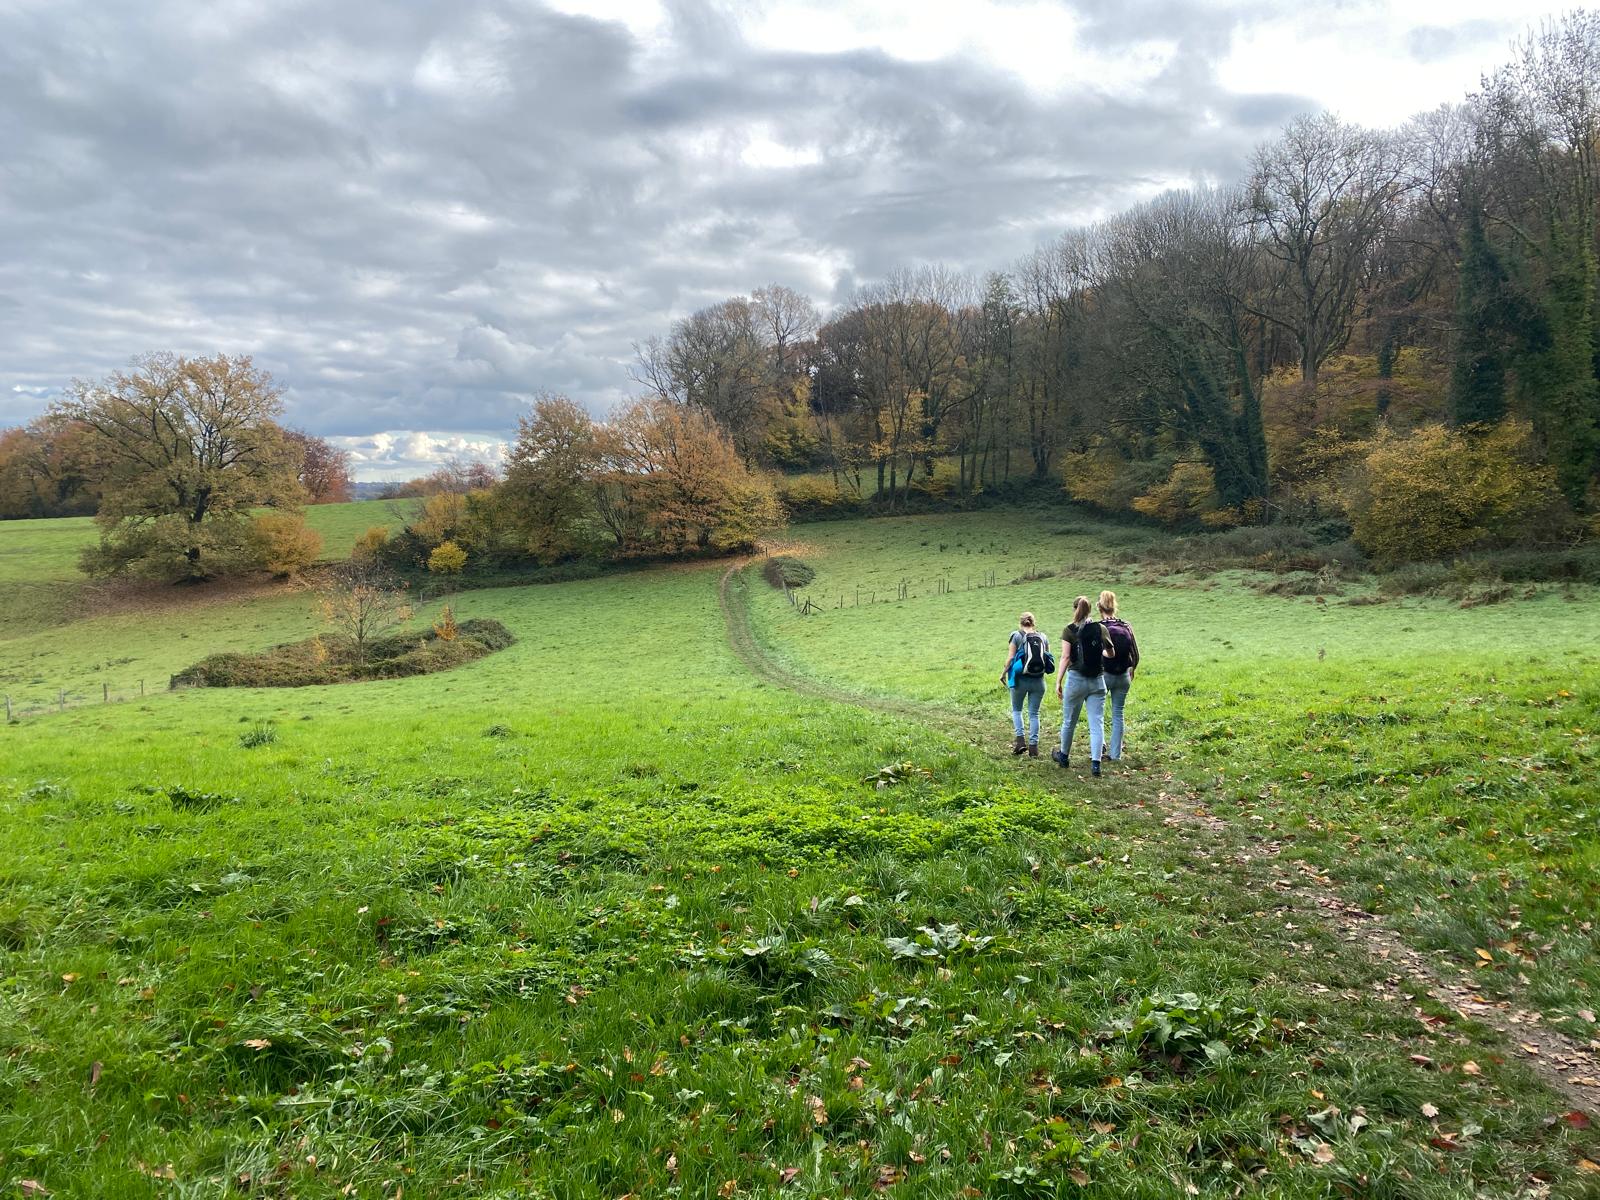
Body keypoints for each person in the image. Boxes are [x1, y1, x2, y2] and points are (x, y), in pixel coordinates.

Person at [1052, 595, 1110, 775]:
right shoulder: (1100, 628)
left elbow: (1066, 657)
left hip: (1076, 679)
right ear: (1090, 609)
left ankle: (1064, 757)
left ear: (1074, 609)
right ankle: (1095, 764)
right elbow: (1111, 652)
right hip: (1097, 680)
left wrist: (1058, 680)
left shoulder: (1069, 630)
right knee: (1097, 722)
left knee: (1069, 721)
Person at [1001, 612, 1053, 757]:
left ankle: (1020, 742)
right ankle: (1034, 748)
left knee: (1017, 710)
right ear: (1033, 623)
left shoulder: (1016, 636)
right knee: (1034, 713)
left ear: (1020, 623)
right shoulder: (1043, 637)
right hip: (1039, 682)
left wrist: (1003, 673)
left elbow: (1011, 658)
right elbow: (1048, 657)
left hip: (1020, 681)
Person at [1098, 590, 1140, 762]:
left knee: (1097, 712)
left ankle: (1099, 746)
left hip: (1104, 674)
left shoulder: (1098, 627)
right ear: (1115, 606)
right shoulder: (1126, 626)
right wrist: (1133, 668)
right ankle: (1116, 755)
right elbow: (1135, 653)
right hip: (1123, 675)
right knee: (1118, 713)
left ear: (1099, 607)